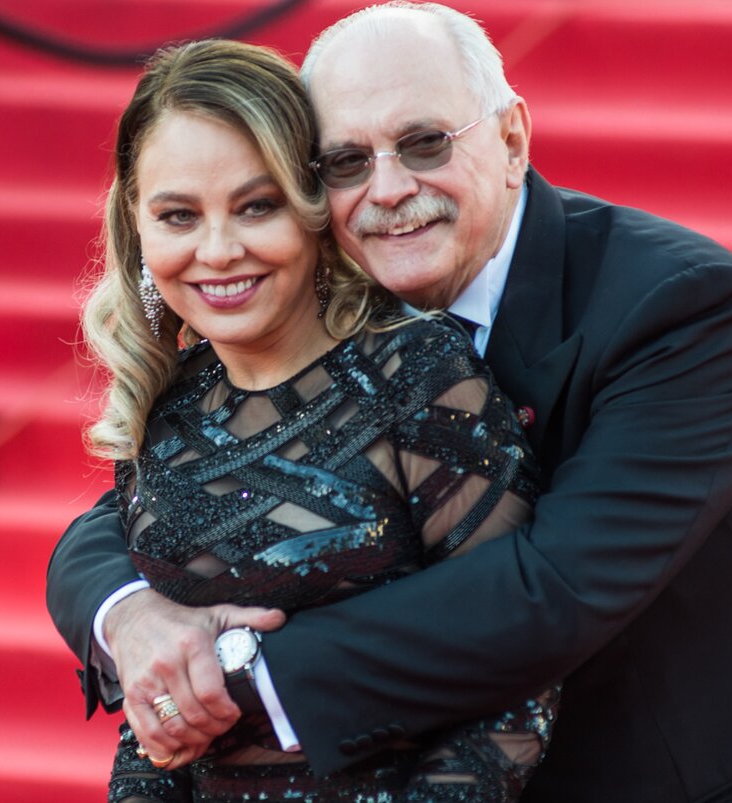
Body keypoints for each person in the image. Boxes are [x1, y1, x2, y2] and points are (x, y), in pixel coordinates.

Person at [48, 3, 732, 800]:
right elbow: (151, 506)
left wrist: (229, 670)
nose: (387, 189)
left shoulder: (674, 305)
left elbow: (551, 587)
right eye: (347, 162)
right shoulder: (340, 323)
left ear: (512, 138)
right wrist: (131, 616)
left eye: (423, 143)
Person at [61, 37, 555, 802]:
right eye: (179, 215)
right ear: (137, 224)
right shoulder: (166, 403)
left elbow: (516, 674)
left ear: (313, 208)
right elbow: (162, 717)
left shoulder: (416, 372)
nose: (218, 251)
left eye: (257, 206)